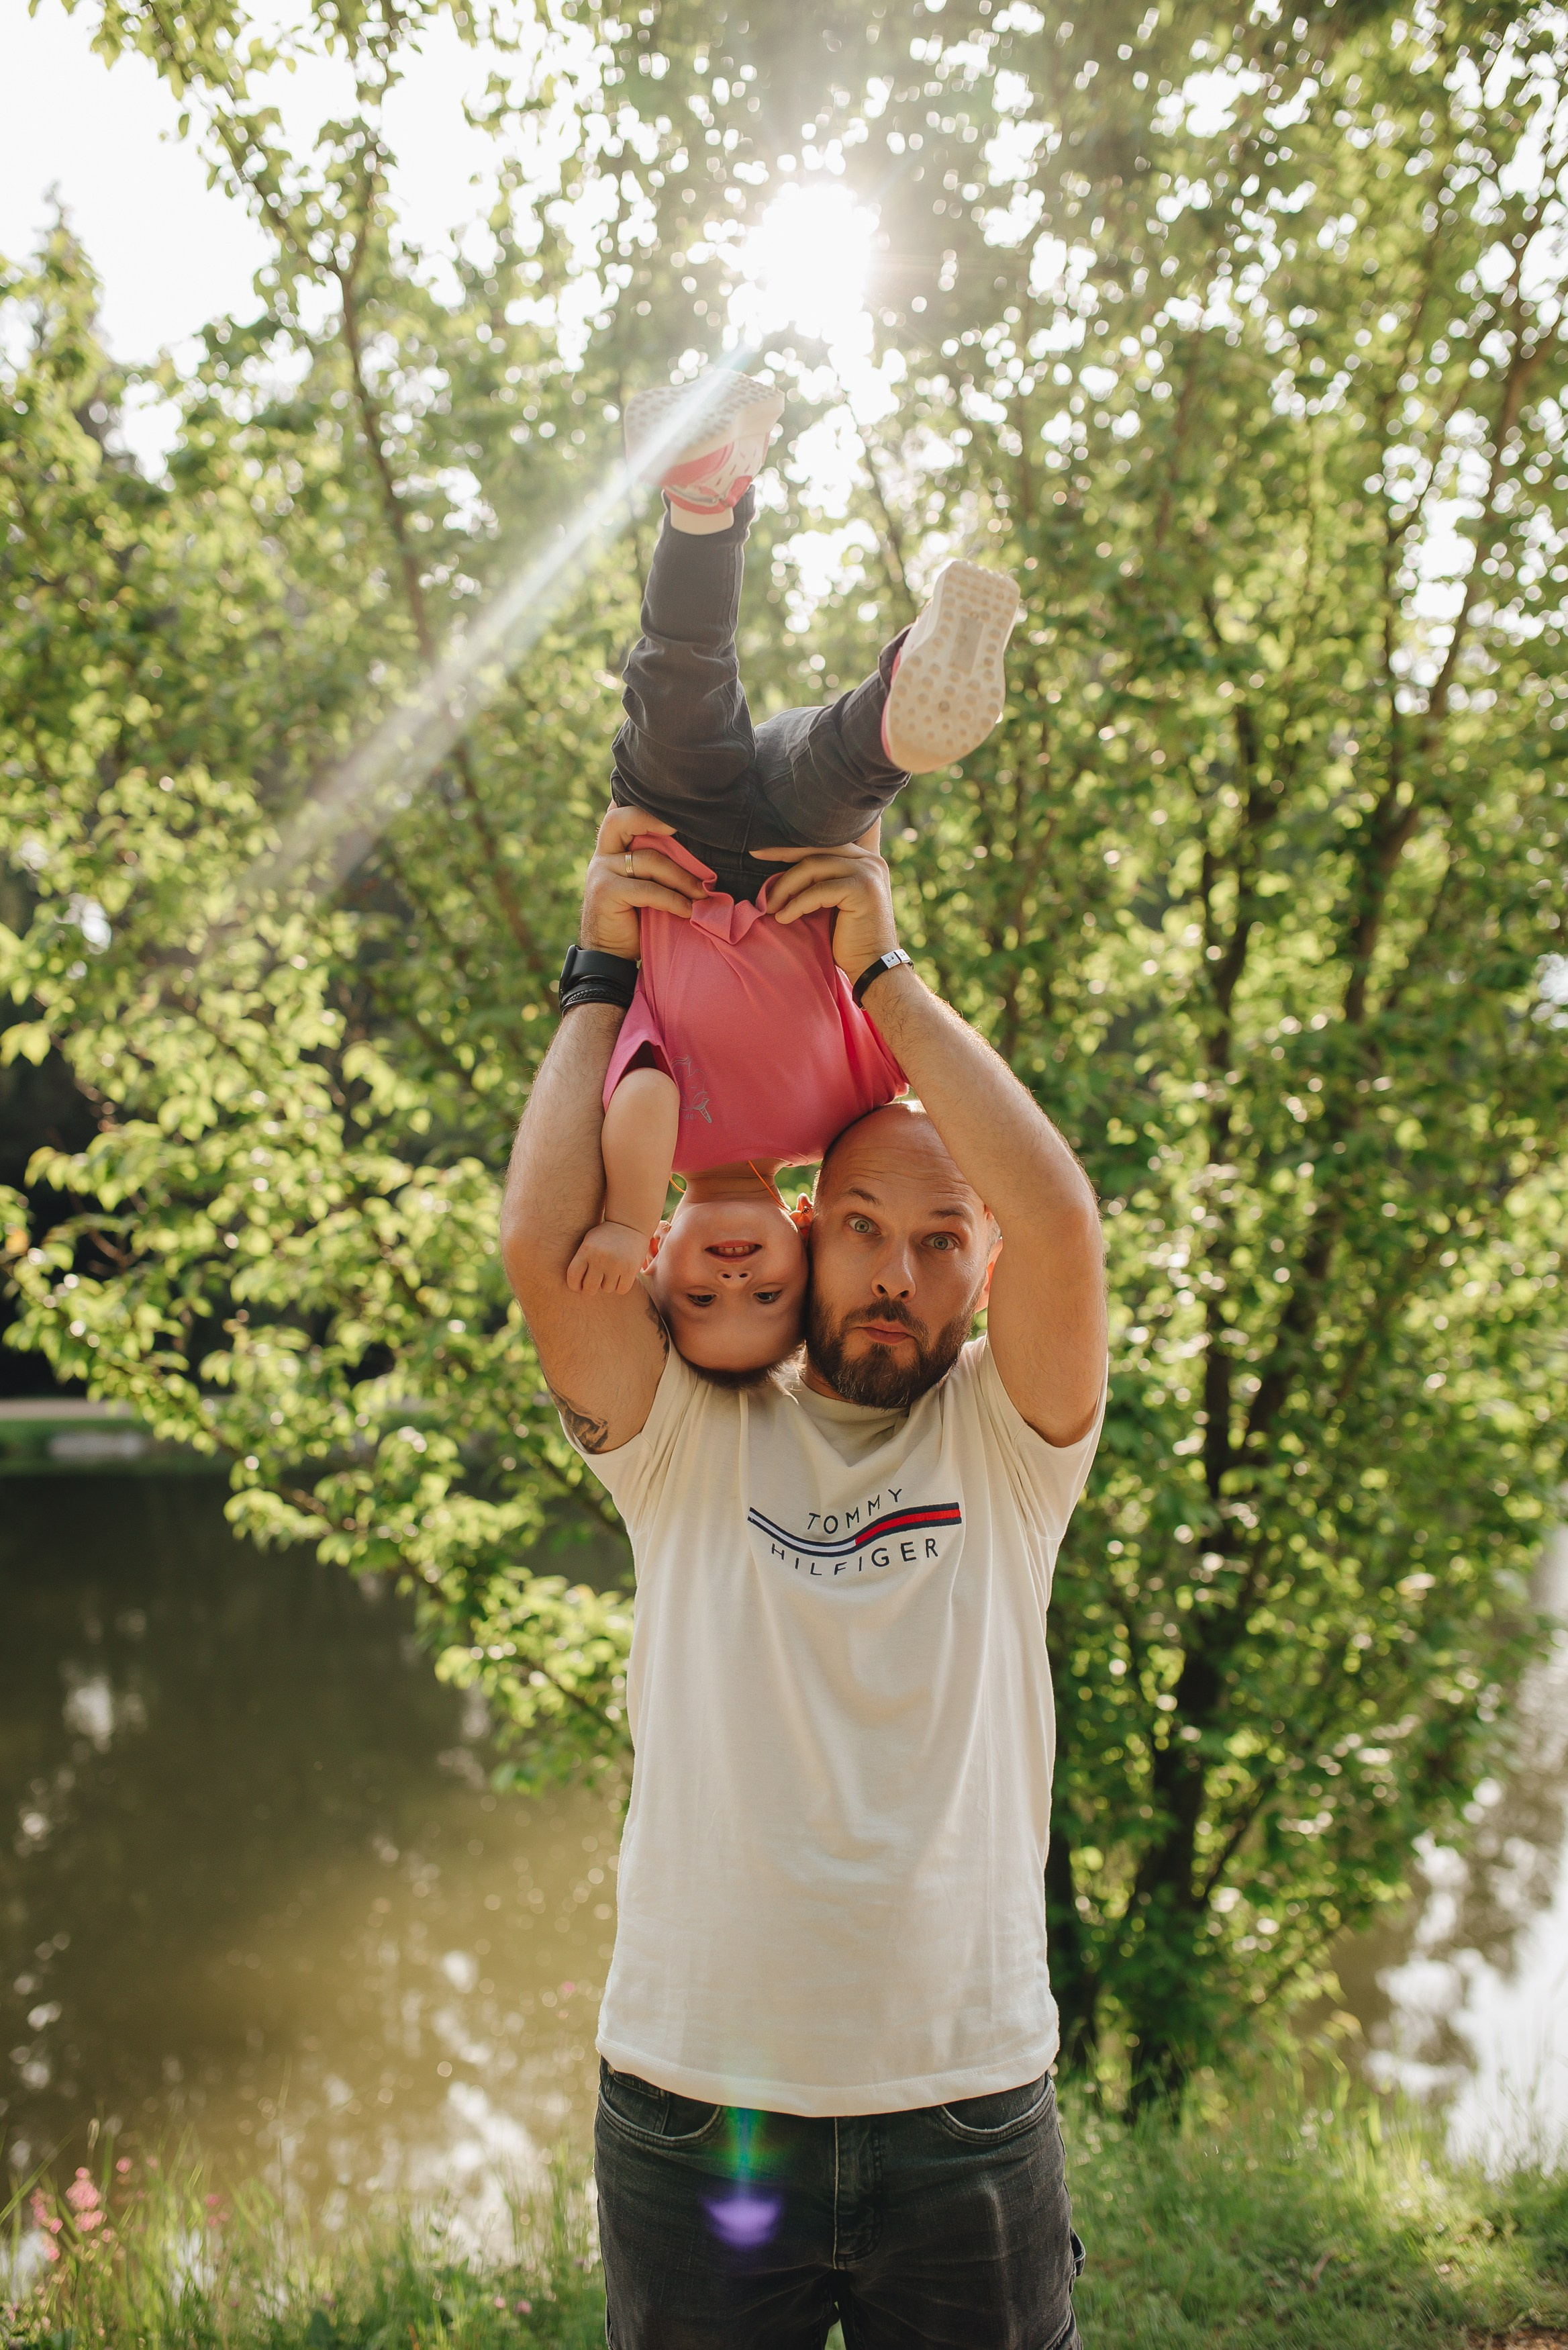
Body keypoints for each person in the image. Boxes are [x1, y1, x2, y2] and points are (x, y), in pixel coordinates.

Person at [502, 747, 1108, 2346]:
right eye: (861, 1227)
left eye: (937, 1239)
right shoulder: (688, 1435)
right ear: (798, 1226)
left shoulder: (1012, 1443)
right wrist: (599, 977)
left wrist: (886, 976)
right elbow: (542, 1251)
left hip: (964, 2104)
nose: (895, 1273)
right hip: (698, 2106)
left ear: (980, 1269)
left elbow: (1063, 1223)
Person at [562, 369, 1020, 1384]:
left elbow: (644, 1093)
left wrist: (622, 1217)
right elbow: (880, 989)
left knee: (677, 685)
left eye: (699, 1297)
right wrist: (866, 850)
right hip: (796, 851)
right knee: (843, 771)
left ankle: (704, 496)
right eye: (769, 1298)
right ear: (808, 1247)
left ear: (659, 1257)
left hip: (676, 845)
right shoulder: (850, 1123)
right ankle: (905, 710)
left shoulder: (651, 1151)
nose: (734, 1279)